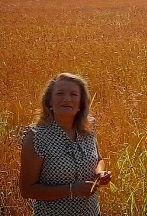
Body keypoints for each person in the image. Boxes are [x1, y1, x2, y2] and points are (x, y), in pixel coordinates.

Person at [20, 72, 111, 216]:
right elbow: (27, 190)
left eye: (74, 94)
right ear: (49, 101)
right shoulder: (36, 136)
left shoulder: (89, 126)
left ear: (81, 103)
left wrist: (100, 173)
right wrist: (72, 190)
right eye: (60, 93)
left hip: (91, 212)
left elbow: (99, 158)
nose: (67, 99)